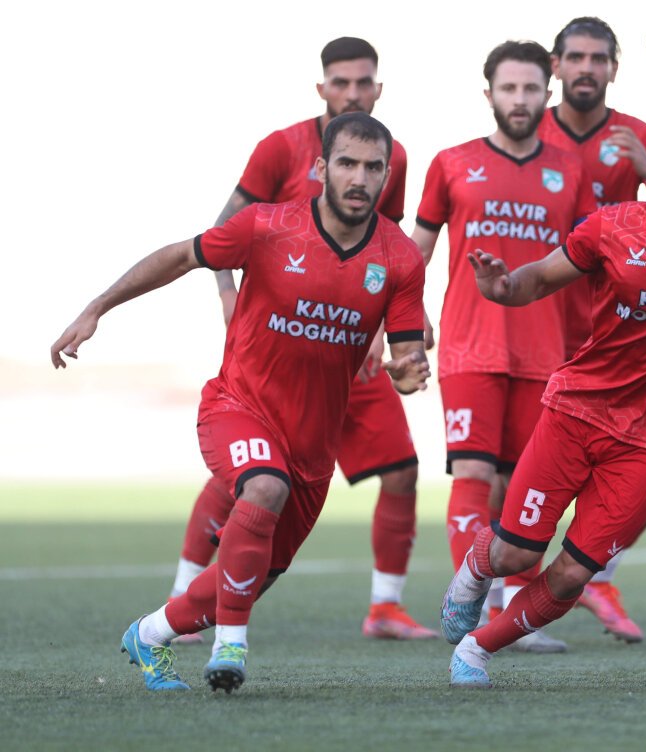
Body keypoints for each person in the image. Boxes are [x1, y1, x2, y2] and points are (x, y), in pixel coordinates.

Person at [51, 114, 430, 692]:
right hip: (238, 407)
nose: (359, 178)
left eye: (373, 167)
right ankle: (231, 645)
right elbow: (179, 257)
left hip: (313, 445)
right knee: (264, 487)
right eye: (347, 163)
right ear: (322, 168)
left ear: (386, 176)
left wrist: (407, 375)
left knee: (254, 573)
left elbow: (405, 361)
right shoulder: (267, 225)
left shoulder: (400, 258)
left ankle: (149, 634)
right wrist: (95, 308)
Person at [438, 109, 646, 687]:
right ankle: (475, 567)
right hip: (578, 412)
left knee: (574, 574)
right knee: (517, 554)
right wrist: (503, 286)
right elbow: (540, 278)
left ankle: (477, 648)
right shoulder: (611, 227)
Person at [169, 37, 436, 642]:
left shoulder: (389, 156)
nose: (353, 92)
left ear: (378, 89)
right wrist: (228, 296)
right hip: (279, 344)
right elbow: (221, 231)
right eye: (341, 82)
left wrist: (396, 337)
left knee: (401, 468)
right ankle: (183, 601)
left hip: (352, 353)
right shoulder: (279, 147)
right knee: (251, 477)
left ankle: (385, 607)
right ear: (322, 88)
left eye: (363, 82)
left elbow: (385, 246)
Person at [412, 40, 595, 653]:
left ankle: (512, 618)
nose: (520, 99)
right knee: (473, 472)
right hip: (470, 347)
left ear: (548, 93)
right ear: (489, 93)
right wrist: (406, 322)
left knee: (522, 486)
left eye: (531, 88)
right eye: (509, 88)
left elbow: (592, 257)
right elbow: (415, 253)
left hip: (545, 353)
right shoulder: (452, 163)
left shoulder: (570, 170)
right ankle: (471, 602)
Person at [537, 16, 646, 642]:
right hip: (536, 325)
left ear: (613, 68)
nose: (586, 67)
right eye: (576, 57)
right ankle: (508, 591)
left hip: (615, 336)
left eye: (598, 58)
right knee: (521, 464)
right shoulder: (526, 131)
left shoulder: (639, 136)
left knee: (619, 466)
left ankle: (597, 577)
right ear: (556, 65)